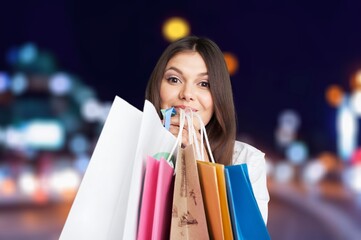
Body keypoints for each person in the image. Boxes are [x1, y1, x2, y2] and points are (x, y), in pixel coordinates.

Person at [145, 35, 269, 224]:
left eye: (204, 84)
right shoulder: (130, 147)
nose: (186, 94)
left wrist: (199, 161)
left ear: (218, 96)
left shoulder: (244, 161)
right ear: (157, 87)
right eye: (174, 79)